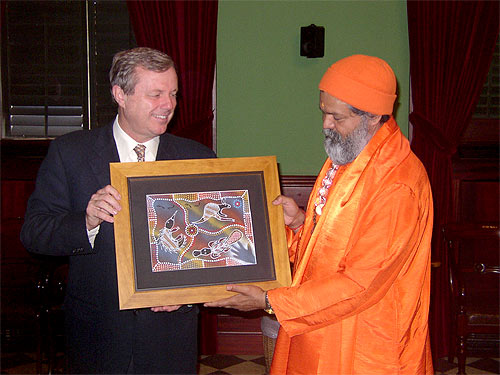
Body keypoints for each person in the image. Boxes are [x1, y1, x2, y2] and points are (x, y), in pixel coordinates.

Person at [205, 54, 434, 374]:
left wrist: (270, 302)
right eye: (324, 112)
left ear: (371, 117)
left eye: (337, 117)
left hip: (363, 341)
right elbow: (333, 249)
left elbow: (360, 284)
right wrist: (299, 224)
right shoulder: (351, 155)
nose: (326, 124)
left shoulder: (398, 183)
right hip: (322, 327)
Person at [21, 47, 216, 374]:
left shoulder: (197, 158)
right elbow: (34, 233)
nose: (168, 105)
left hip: (170, 337)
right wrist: (87, 220)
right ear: (119, 95)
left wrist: (189, 292)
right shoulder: (70, 153)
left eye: (172, 93)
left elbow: (214, 248)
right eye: (155, 94)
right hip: (98, 333)